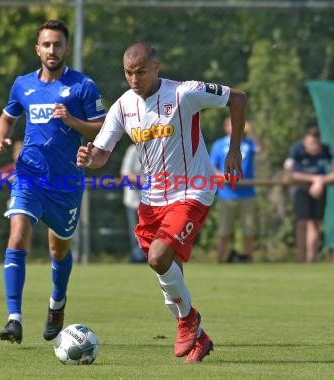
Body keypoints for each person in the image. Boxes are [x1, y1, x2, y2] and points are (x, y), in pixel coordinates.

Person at [77, 42, 247, 363]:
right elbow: (101, 154)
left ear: (157, 66)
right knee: (170, 274)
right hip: (152, 200)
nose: (134, 79)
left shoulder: (184, 93)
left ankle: (188, 321)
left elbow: (237, 98)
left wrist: (234, 149)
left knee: (158, 258)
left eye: (141, 71)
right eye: (128, 73)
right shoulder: (123, 106)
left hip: (192, 191)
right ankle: (199, 338)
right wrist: (89, 157)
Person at [0, 20, 106, 344]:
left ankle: (57, 302)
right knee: (17, 235)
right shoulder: (23, 85)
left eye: (57, 44)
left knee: (58, 249)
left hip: (66, 183)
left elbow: (104, 127)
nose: (52, 50)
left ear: (66, 48)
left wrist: (72, 121)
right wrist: (1, 138)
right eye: (46, 44)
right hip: (29, 175)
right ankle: (14, 318)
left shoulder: (82, 86)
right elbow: (7, 116)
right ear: (37, 49)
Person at [283, 127, 334, 263]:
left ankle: (311, 260)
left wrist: (321, 181)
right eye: (310, 143)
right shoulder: (296, 150)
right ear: (304, 142)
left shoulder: (326, 150)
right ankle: (301, 258)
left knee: (314, 223)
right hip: (301, 189)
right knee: (302, 222)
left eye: (316, 143)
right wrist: (314, 179)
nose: (314, 147)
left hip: (319, 189)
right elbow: (288, 174)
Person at [210, 118, 261, 263]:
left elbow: (262, 149)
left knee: (249, 231)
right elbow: (211, 166)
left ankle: (249, 260)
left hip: (247, 193)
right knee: (224, 231)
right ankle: (219, 261)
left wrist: (252, 133)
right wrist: (222, 176)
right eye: (231, 125)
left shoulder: (249, 143)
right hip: (227, 194)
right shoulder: (219, 145)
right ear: (225, 127)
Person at [0, 141, 32, 253]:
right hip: (14, 203)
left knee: (27, 232)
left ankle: (28, 255)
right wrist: (11, 177)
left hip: (34, 202)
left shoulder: (34, 168)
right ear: (13, 155)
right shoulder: (12, 169)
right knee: (17, 231)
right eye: (19, 153)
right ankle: (16, 254)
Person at [120, 144, 147, 263]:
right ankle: (138, 258)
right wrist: (144, 182)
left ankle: (148, 257)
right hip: (134, 201)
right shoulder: (132, 150)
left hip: (153, 201)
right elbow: (125, 176)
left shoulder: (156, 149)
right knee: (136, 234)